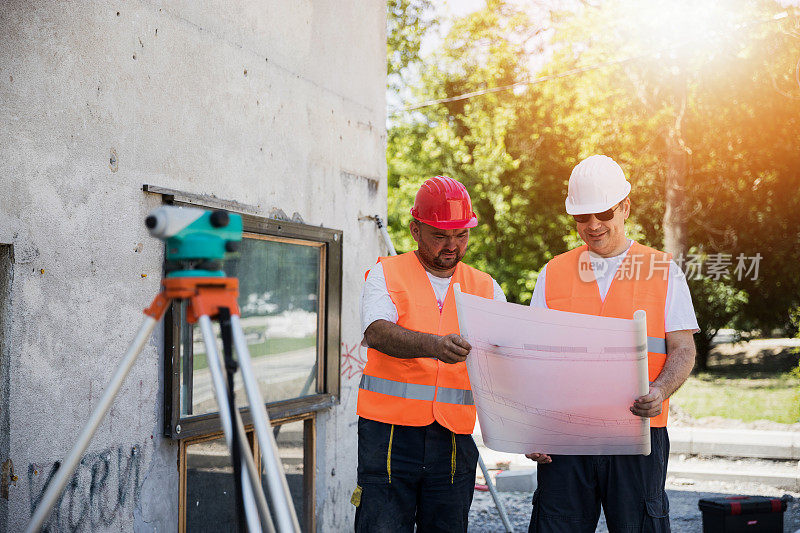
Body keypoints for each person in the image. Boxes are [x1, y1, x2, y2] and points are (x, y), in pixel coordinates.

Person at [526, 155, 699, 532]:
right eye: (581, 217)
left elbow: (683, 349)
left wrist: (660, 389)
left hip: (638, 432)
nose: (592, 226)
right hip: (566, 434)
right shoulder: (553, 272)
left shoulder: (662, 269)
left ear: (625, 208)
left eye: (603, 213)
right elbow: (534, 357)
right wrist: (533, 427)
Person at [352, 176, 506, 532]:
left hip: (453, 435)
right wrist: (436, 347)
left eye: (461, 235)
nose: (452, 245)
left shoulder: (487, 287)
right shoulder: (385, 274)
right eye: (440, 235)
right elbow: (376, 332)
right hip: (389, 433)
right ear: (415, 230)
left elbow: (505, 361)